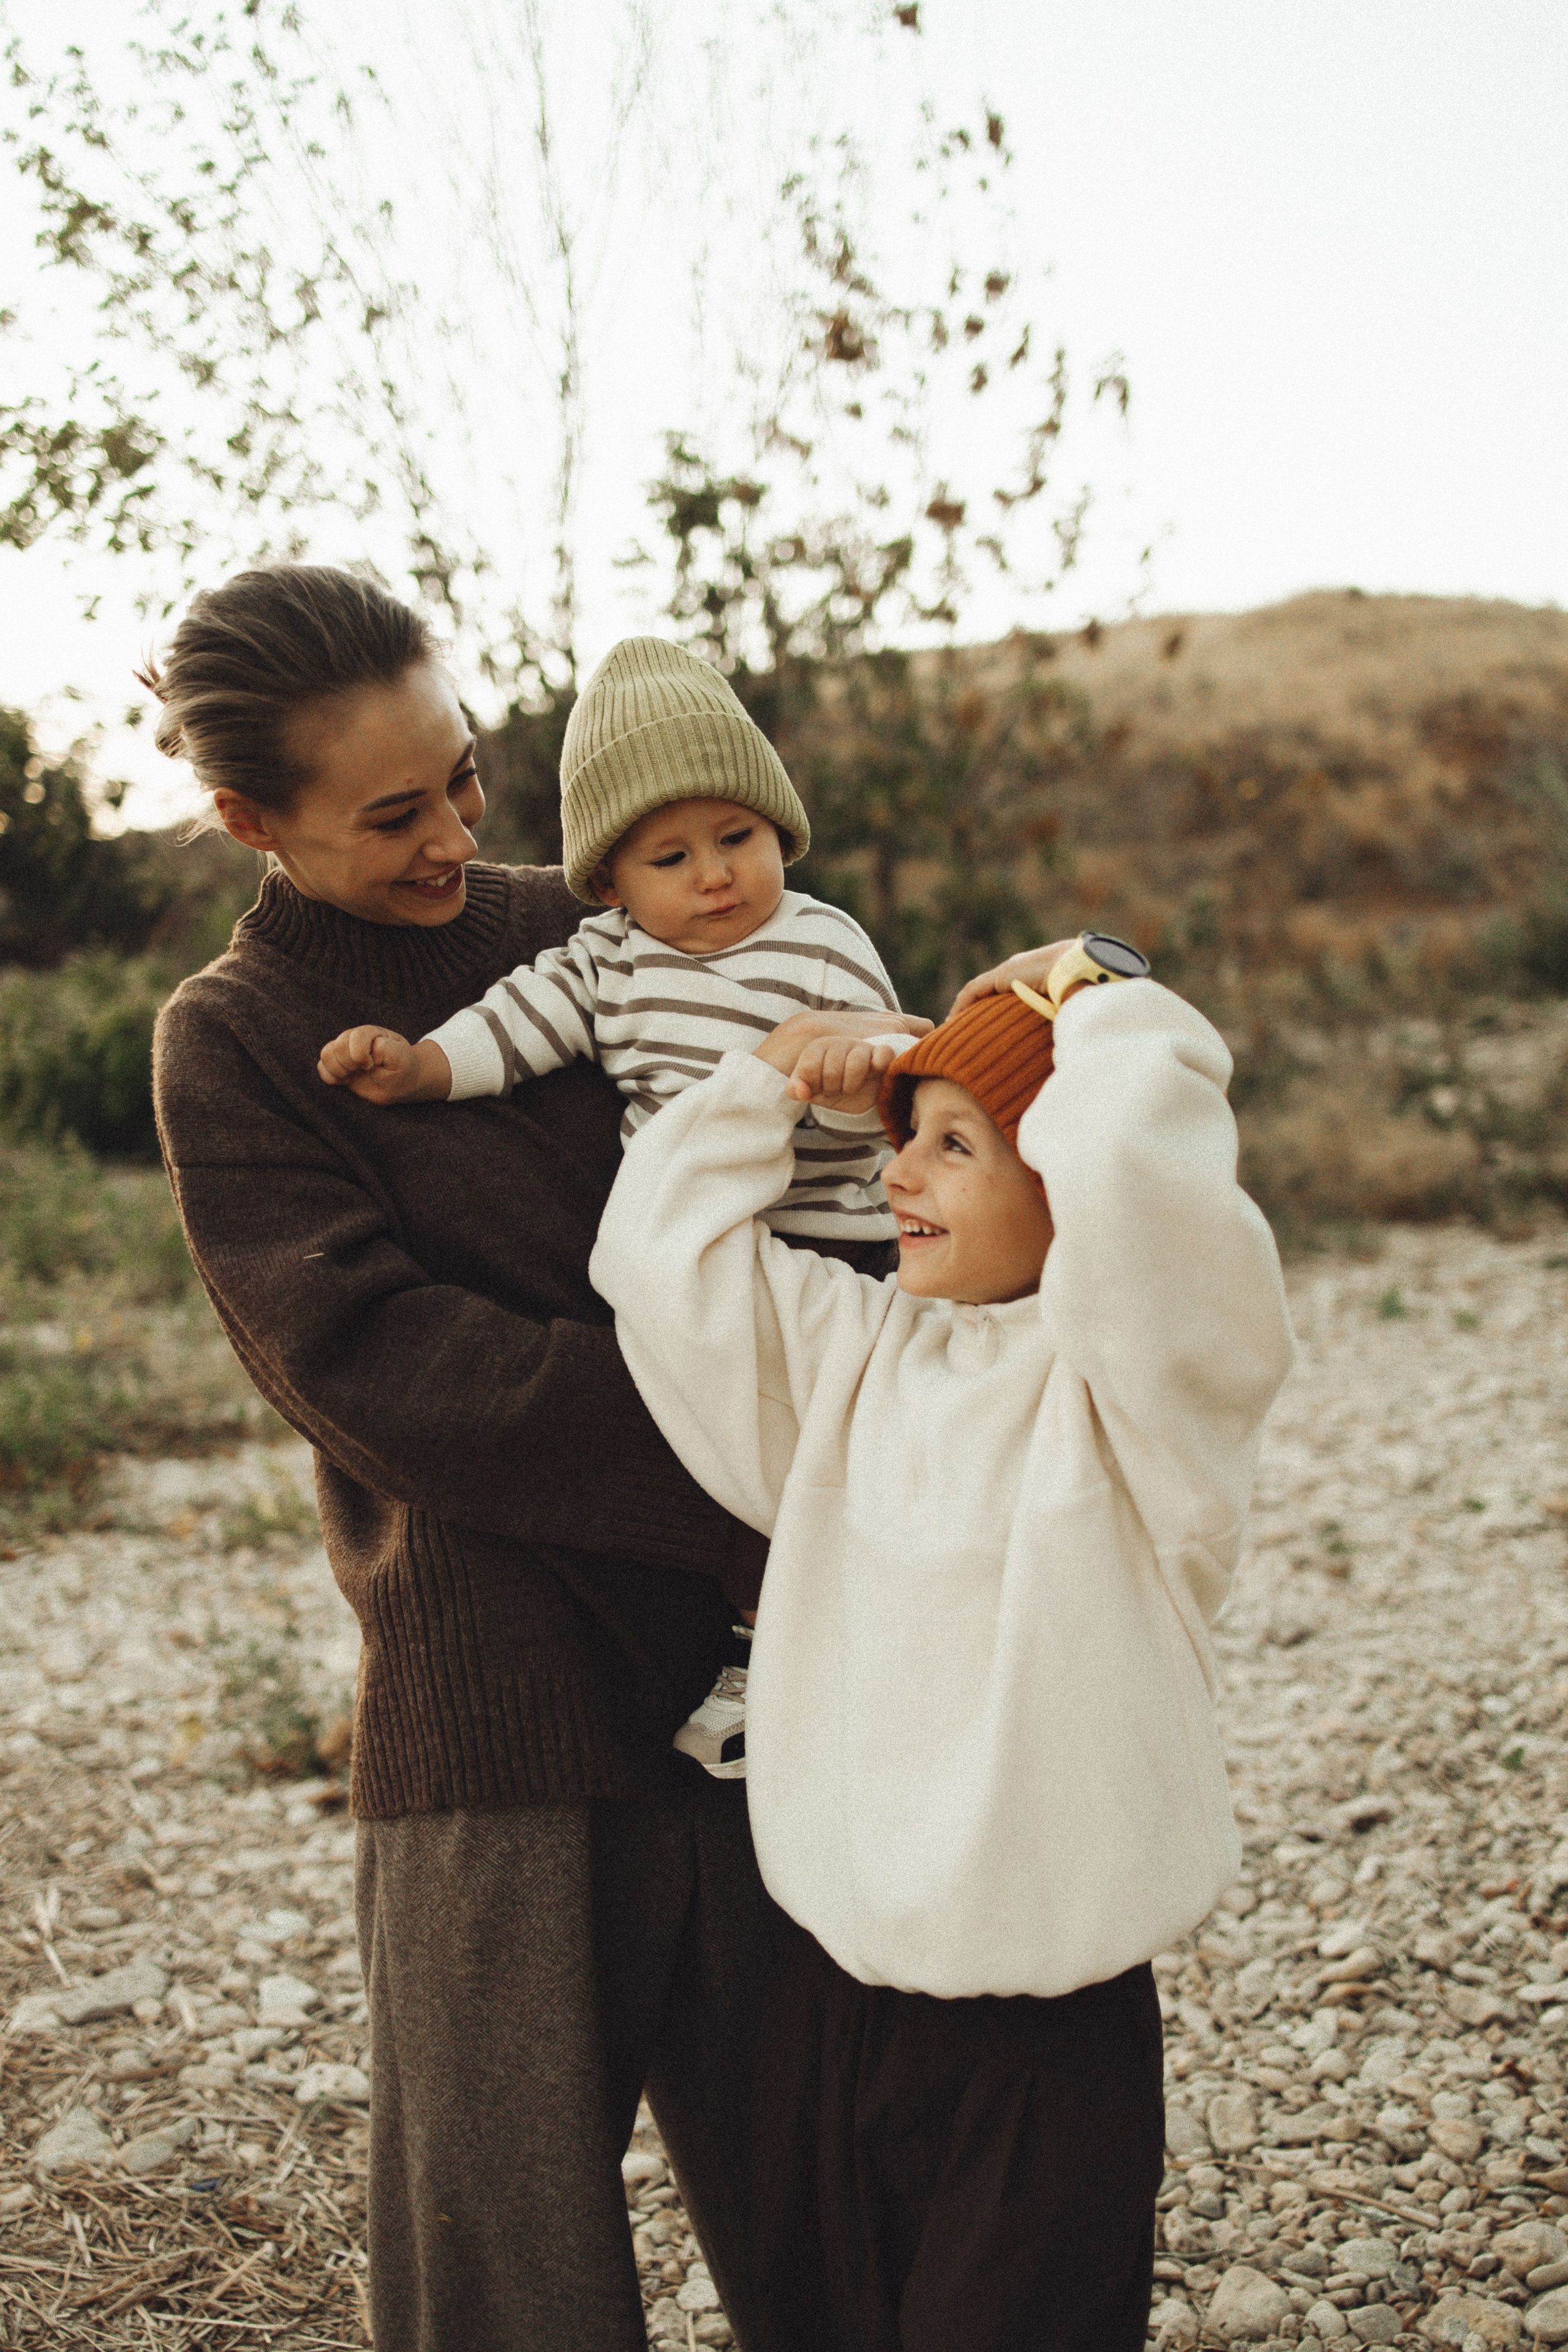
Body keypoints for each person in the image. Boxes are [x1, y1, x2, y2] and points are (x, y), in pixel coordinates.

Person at [146, 562, 925, 2352]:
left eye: (470, 779)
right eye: (393, 813)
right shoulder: (235, 1041)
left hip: (766, 1663)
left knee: (840, 2225)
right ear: (245, 819)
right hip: (499, 1704)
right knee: (509, 2282)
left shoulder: (611, 921)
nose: (455, 839)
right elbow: (379, 1367)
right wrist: (760, 1443)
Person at [590, 940, 1296, 2351]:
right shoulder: (856, 1361)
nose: (896, 1178)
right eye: (900, 1141)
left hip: (1047, 2037)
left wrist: (1093, 995)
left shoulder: (1138, 1404)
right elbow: (653, 1257)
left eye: (954, 1146)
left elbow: (1157, 1206)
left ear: (1066, 1183)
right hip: (830, 1998)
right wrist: (769, 1074)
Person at [315, 632, 907, 1775]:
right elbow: (516, 1028)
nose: (715, 876)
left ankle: (833, 1655)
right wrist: (422, 1066)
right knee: (732, 1466)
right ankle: (763, 1662)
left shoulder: (824, 942)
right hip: (687, 1259)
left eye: (737, 838)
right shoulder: (606, 960)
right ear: (611, 882)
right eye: (669, 857)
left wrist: (847, 1088)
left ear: (778, 828)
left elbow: (887, 1087)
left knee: (834, 1453)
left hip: (833, 1248)